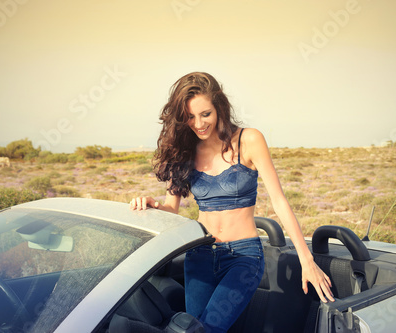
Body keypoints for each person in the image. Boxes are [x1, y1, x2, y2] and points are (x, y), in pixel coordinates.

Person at [130, 72, 334, 332]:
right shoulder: (184, 149)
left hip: (243, 257)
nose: (199, 123)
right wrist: (151, 204)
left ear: (220, 107)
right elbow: (171, 209)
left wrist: (307, 260)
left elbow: (279, 201)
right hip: (199, 254)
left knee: (208, 329)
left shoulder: (249, 140)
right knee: (191, 328)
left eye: (205, 114)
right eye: (190, 117)